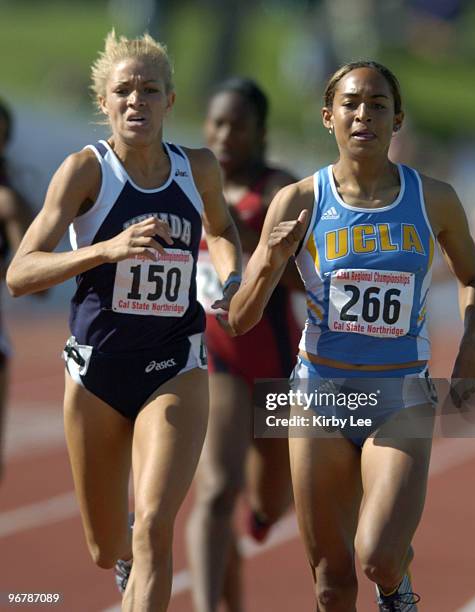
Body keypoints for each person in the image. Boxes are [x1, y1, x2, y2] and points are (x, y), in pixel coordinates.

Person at [227, 60, 475, 611]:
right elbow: (240, 318)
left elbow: (472, 278)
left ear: (397, 121)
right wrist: (272, 258)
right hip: (319, 396)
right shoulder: (299, 201)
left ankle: (397, 590)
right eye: (350, 103)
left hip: (399, 398)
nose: (363, 113)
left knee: (378, 556)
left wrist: (470, 346)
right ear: (328, 117)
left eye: (377, 104)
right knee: (331, 582)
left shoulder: (433, 198)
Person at [6, 31, 241, 612]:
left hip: (173, 363)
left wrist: (231, 278)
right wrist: (104, 250)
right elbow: (21, 272)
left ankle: (143, 553)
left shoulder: (199, 169)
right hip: (96, 374)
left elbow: (221, 230)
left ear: (170, 101)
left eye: (149, 90)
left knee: (155, 524)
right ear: (105, 103)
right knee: (106, 546)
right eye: (124, 92)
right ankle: (126, 561)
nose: (137, 101)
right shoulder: (87, 171)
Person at [187, 77, 300, 612]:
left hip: (277, 364)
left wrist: (268, 259)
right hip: (217, 357)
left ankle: (256, 520)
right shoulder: (187, 184)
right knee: (215, 491)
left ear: (260, 133)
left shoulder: (281, 191)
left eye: (238, 125)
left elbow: (314, 277)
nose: (225, 135)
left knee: (270, 506)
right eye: (217, 124)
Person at [0, 99, 35, 481]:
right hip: (224, 365)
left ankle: (265, 515)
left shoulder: (271, 194)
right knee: (219, 487)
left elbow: (32, 285)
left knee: (267, 495)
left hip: (269, 369)